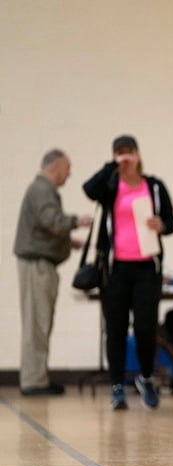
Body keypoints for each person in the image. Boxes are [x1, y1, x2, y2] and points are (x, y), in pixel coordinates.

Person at [83, 135, 173, 411]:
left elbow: (172, 222)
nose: (124, 157)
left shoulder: (155, 186)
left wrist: (162, 225)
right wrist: (109, 167)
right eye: (119, 153)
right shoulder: (110, 186)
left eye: (128, 152)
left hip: (147, 267)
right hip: (116, 270)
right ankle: (116, 387)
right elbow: (89, 189)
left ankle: (146, 378)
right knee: (115, 328)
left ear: (138, 154)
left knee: (146, 327)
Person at [14, 149, 93, 396]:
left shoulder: (41, 190)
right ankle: (34, 381)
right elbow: (51, 220)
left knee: (39, 322)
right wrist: (75, 221)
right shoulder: (41, 190)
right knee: (36, 323)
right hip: (37, 266)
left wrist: (68, 242)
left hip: (40, 264)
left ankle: (37, 377)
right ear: (56, 167)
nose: (68, 176)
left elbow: (42, 228)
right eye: (67, 170)